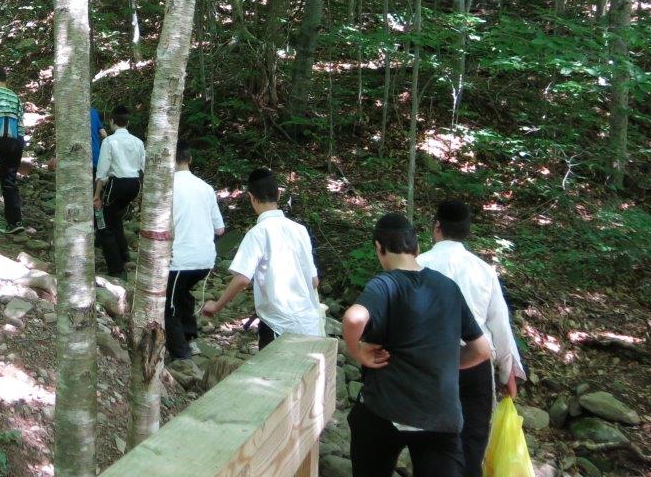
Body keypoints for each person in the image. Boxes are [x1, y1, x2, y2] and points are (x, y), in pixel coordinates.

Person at [343, 212, 492, 477]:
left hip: (385, 409)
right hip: (440, 416)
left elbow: (354, 318)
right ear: (417, 248)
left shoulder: (385, 284)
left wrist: (357, 351)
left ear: (379, 247)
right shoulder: (448, 287)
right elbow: (481, 350)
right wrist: (442, 362)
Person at [419, 200, 526, 477]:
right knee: (472, 444)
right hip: (476, 363)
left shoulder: (419, 265)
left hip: (430, 365)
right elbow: (500, 325)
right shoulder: (483, 270)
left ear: (437, 226)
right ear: (467, 231)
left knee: (431, 446)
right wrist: (508, 372)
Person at [201, 168, 322, 348]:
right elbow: (314, 281)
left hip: (277, 325)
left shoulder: (257, 233)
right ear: (278, 194)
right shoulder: (300, 230)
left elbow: (242, 279)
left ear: (251, 197)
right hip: (309, 324)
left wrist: (216, 306)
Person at [166, 141, 225, 360]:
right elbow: (220, 229)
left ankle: (181, 355)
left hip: (180, 260)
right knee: (182, 293)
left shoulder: (166, 187)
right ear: (189, 160)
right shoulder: (205, 188)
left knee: (169, 305)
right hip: (206, 260)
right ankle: (190, 337)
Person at [93, 106, 146, 278]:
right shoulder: (138, 142)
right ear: (128, 122)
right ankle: (124, 253)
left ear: (112, 122)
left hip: (117, 184)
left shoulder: (109, 141)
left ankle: (116, 268)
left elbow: (102, 170)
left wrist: (97, 195)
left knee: (105, 226)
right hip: (134, 185)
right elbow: (144, 167)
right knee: (115, 217)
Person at [0, 66, 25, 231]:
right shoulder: (16, 96)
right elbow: (20, 122)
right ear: (5, 80)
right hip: (15, 141)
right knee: (9, 181)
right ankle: (15, 223)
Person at [90, 106, 106, 175]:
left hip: (76, 155)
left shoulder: (70, 114)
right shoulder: (93, 112)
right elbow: (104, 134)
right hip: (94, 154)